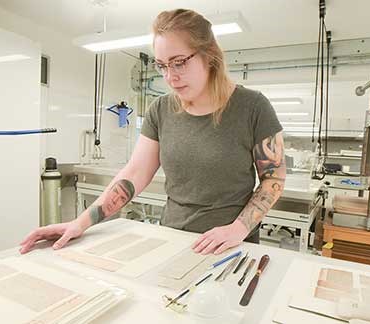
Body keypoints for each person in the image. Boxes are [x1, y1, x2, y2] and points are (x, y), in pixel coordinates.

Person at [20, 8, 285, 256]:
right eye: (162, 65)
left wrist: (238, 229)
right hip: (172, 238)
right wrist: (80, 223)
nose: (170, 77)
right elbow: (135, 173)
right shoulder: (161, 109)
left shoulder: (252, 107)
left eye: (179, 62)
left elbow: (273, 179)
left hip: (230, 246)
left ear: (210, 56)